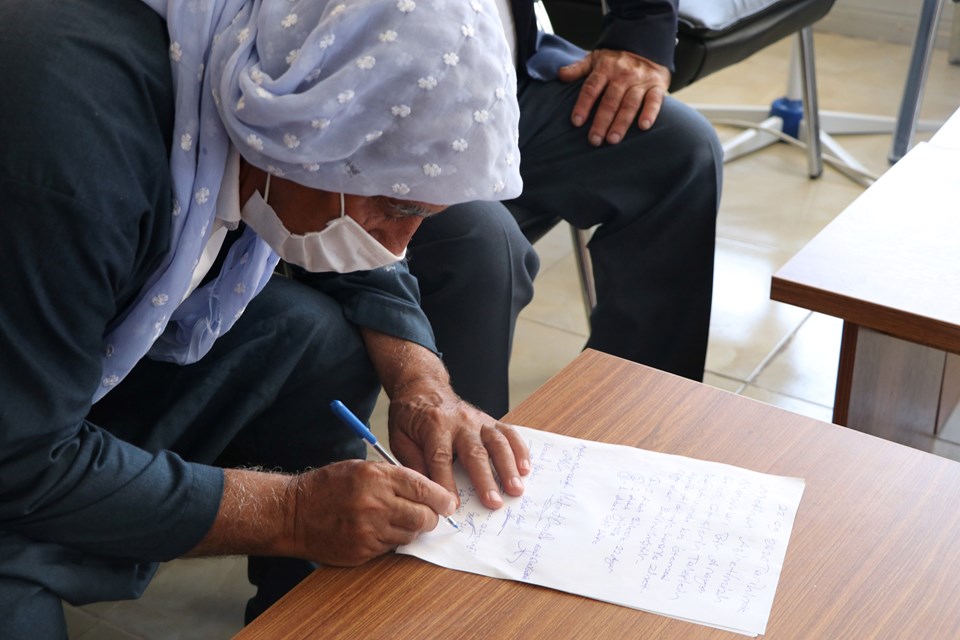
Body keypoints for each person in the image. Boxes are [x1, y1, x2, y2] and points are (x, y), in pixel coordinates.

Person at [0, 0, 532, 636]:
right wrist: (292, 512)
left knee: (311, 339)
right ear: (311, 132)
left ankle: (302, 617)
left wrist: (424, 384)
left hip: (38, 370)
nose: (397, 247)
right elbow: (18, 458)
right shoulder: (74, 156)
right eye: (395, 209)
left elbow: (346, 210)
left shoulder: (257, 71)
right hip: (16, 430)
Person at [408, 0, 724, 417]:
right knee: (484, 245)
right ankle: (468, 472)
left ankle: (631, 429)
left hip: (506, 74)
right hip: (377, 116)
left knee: (681, 150)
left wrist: (641, 27)